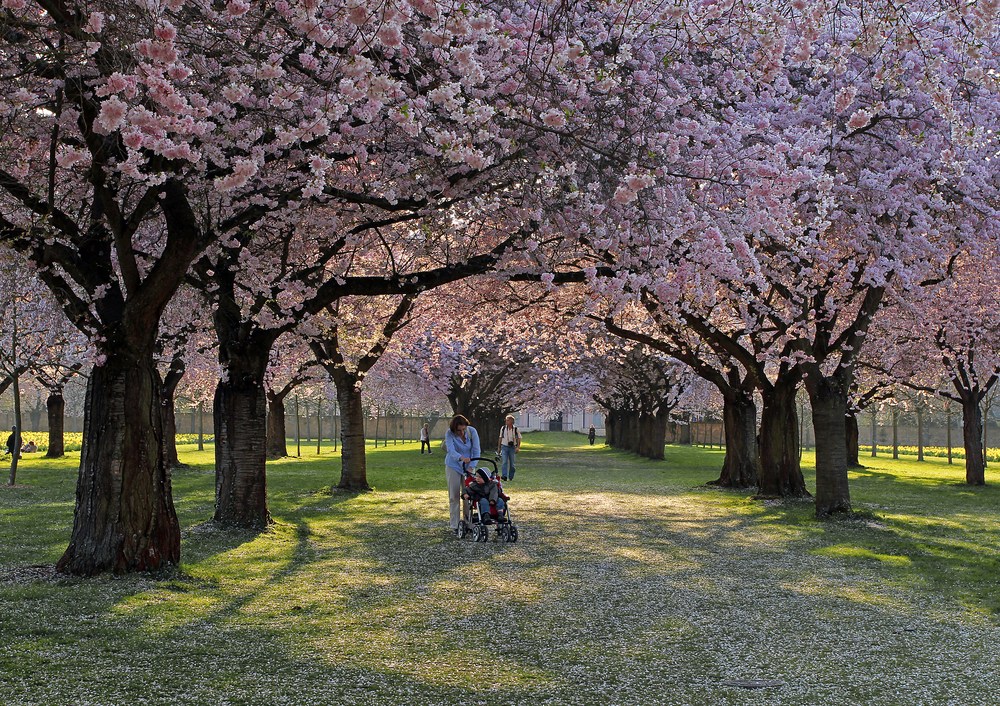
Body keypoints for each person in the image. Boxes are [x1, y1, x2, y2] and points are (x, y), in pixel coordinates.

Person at [445, 414, 480, 536]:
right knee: (454, 496)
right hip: (453, 465)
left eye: (463, 429)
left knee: (469, 495)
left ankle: (468, 522)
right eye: (458, 430)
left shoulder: (472, 432)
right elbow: (450, 449)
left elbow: (476, 450)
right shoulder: (449, 434)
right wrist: (460, 458)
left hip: (469, 466)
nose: (461, 432)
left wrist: (472, 465)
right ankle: (454, 524)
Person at [497, 414, 521, 481]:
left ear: (511, 421)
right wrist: (499, 447)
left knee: (512, 464)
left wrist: (518, 447)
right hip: (504, 446)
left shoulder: (516, 429)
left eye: (508, 420)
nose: (506, 421)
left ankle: (511, 476)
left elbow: (519, 438)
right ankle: (504, 476)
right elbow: (500, 437)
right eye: (506, 420)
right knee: (504, 462)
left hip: (512, 447)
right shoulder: (503, 428)